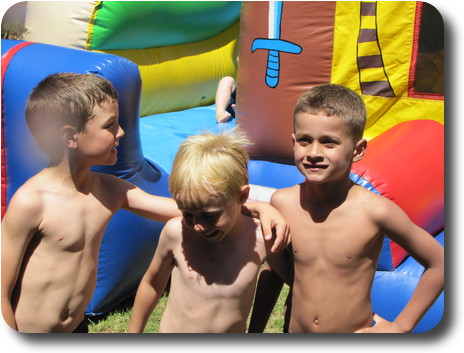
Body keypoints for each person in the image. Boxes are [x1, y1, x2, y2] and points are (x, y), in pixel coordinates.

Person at [1, 73, 290, 333]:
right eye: (110, 125)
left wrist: (259, 207)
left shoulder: (110, 190)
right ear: (70, 136)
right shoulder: (32, 202)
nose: (122, 132)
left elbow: (195, 207)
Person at [252, 84, 444, 333]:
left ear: (358, 150)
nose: (313, 153)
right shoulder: (283, 203)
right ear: (293, 142)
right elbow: (275, 270)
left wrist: (401, 326)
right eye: (304, 140)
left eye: (329, 143)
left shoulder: (375, 211)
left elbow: (439, 263)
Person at [128, 129, 275, 333]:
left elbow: (278, 279)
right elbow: (152, 283)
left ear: (241, 197)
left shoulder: (261, 238)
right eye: (187, 213)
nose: (197, 226)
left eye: (209, 216)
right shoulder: (176, 233)